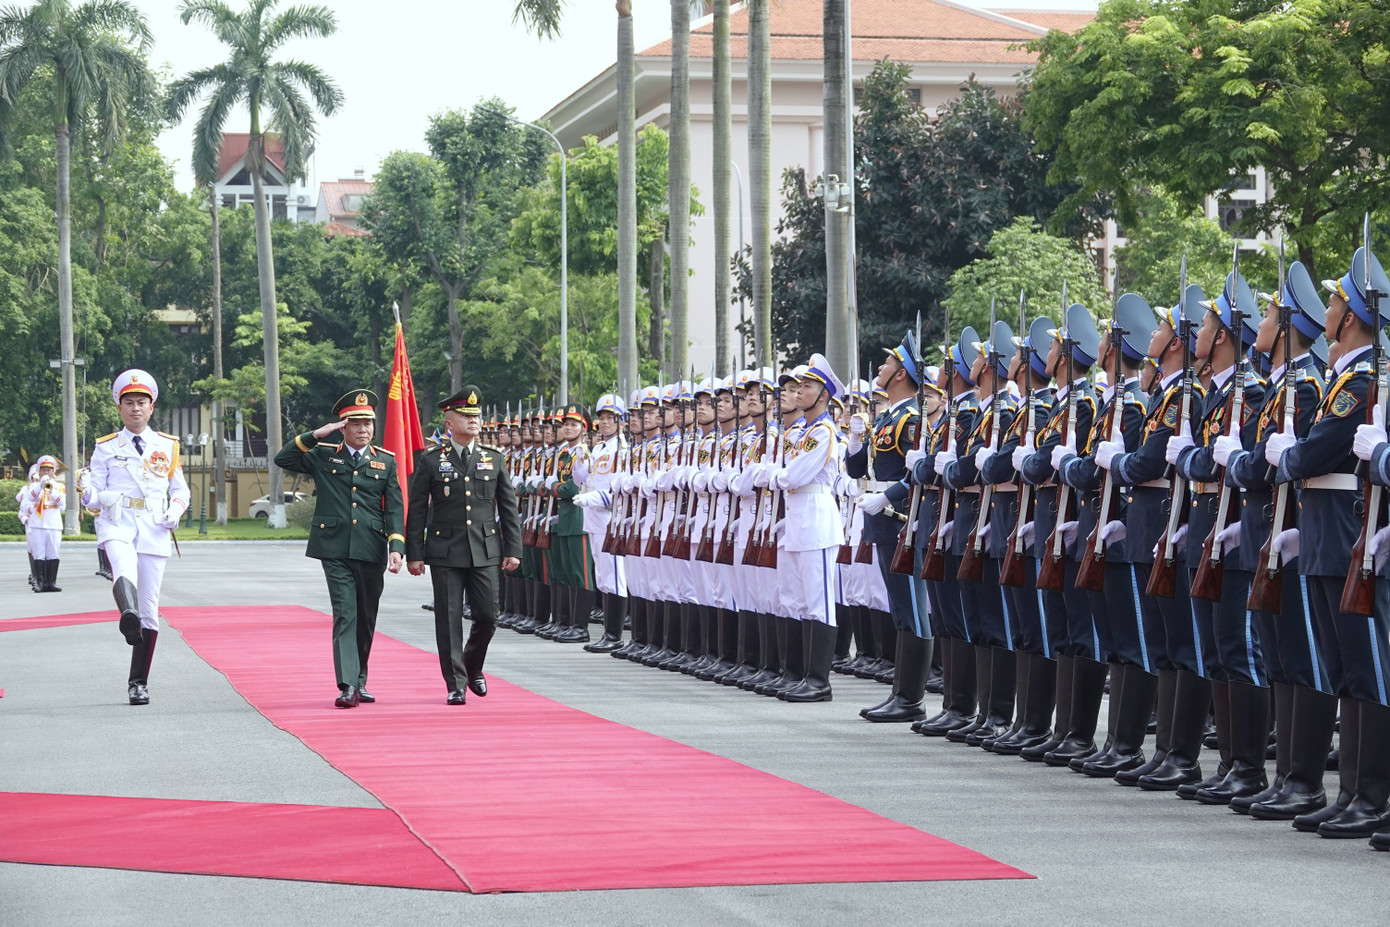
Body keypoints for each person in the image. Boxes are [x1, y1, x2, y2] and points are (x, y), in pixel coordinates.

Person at [275, 390, 405, 709]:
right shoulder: (324, 454)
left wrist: (396, 546)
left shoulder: (385, 461)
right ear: (343, 427)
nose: (363, 429)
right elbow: (284, 459)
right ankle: (347, 684)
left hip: (372, 547)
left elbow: (394, 509)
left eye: (368, 424)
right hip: (334, 547)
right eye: (356, 424)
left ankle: (360, 679)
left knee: (365, 615)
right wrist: (315, 435)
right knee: (346, 612)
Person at [81, 369, 191, 706]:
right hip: (118, 521)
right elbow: (95, 493)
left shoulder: (167, 446)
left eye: (141, 402)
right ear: (120, 407)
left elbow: (180, 489)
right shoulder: (106, 447)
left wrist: (175, 510)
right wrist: (86, 493)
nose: (135, 408)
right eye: (128, 402)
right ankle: (125, 614)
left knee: (150, 611)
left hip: (155, 526)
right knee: (121, 566)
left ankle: (138, 682)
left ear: (151, 406)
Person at [407, 385, 522, 705]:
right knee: (448, 618)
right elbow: (417, 510)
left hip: (485, 549)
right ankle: (455, 682)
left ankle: (472, 665)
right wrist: (414, 553)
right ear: (448, 422)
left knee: (488, 615)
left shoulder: (493, 458)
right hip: (445, 551)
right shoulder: (432, 461)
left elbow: (508, 508)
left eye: (476, 415)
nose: (473, 420)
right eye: (465, 415)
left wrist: (514, 549)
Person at [22, 456, 65, 592]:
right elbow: (30, 498)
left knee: (53, 552)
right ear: (39, 472)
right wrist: (41, 486)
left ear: (53, 473)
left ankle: (51, 582)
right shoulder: (33, 486)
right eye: (44, 470)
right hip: (37, 523)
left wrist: (51, 489)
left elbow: (61, 503)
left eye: (49, 470)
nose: (46, 473)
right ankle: (40, 583)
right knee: (39, 553)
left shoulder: (59, 486)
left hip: (53, 523)